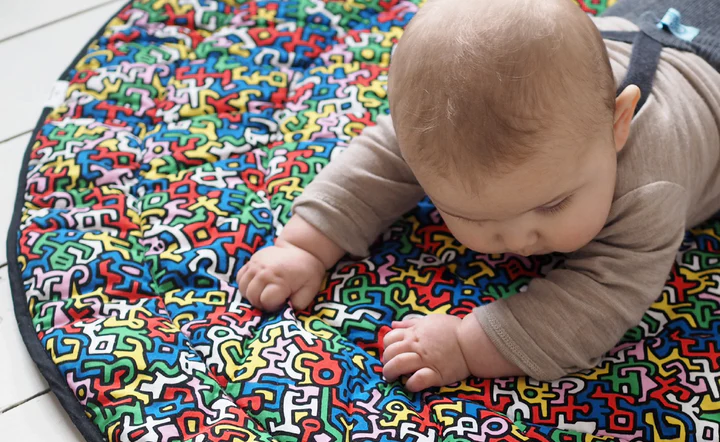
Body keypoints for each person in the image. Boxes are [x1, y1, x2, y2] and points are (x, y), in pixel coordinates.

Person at [236, 0, 720, 392]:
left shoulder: (650, 186)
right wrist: (305, 244)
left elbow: (602, 299)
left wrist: (470, 345)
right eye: (471, 214)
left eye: (553, 205)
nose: (519, 238)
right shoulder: (442, 133)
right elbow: (377, 162)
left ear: (616, 124)